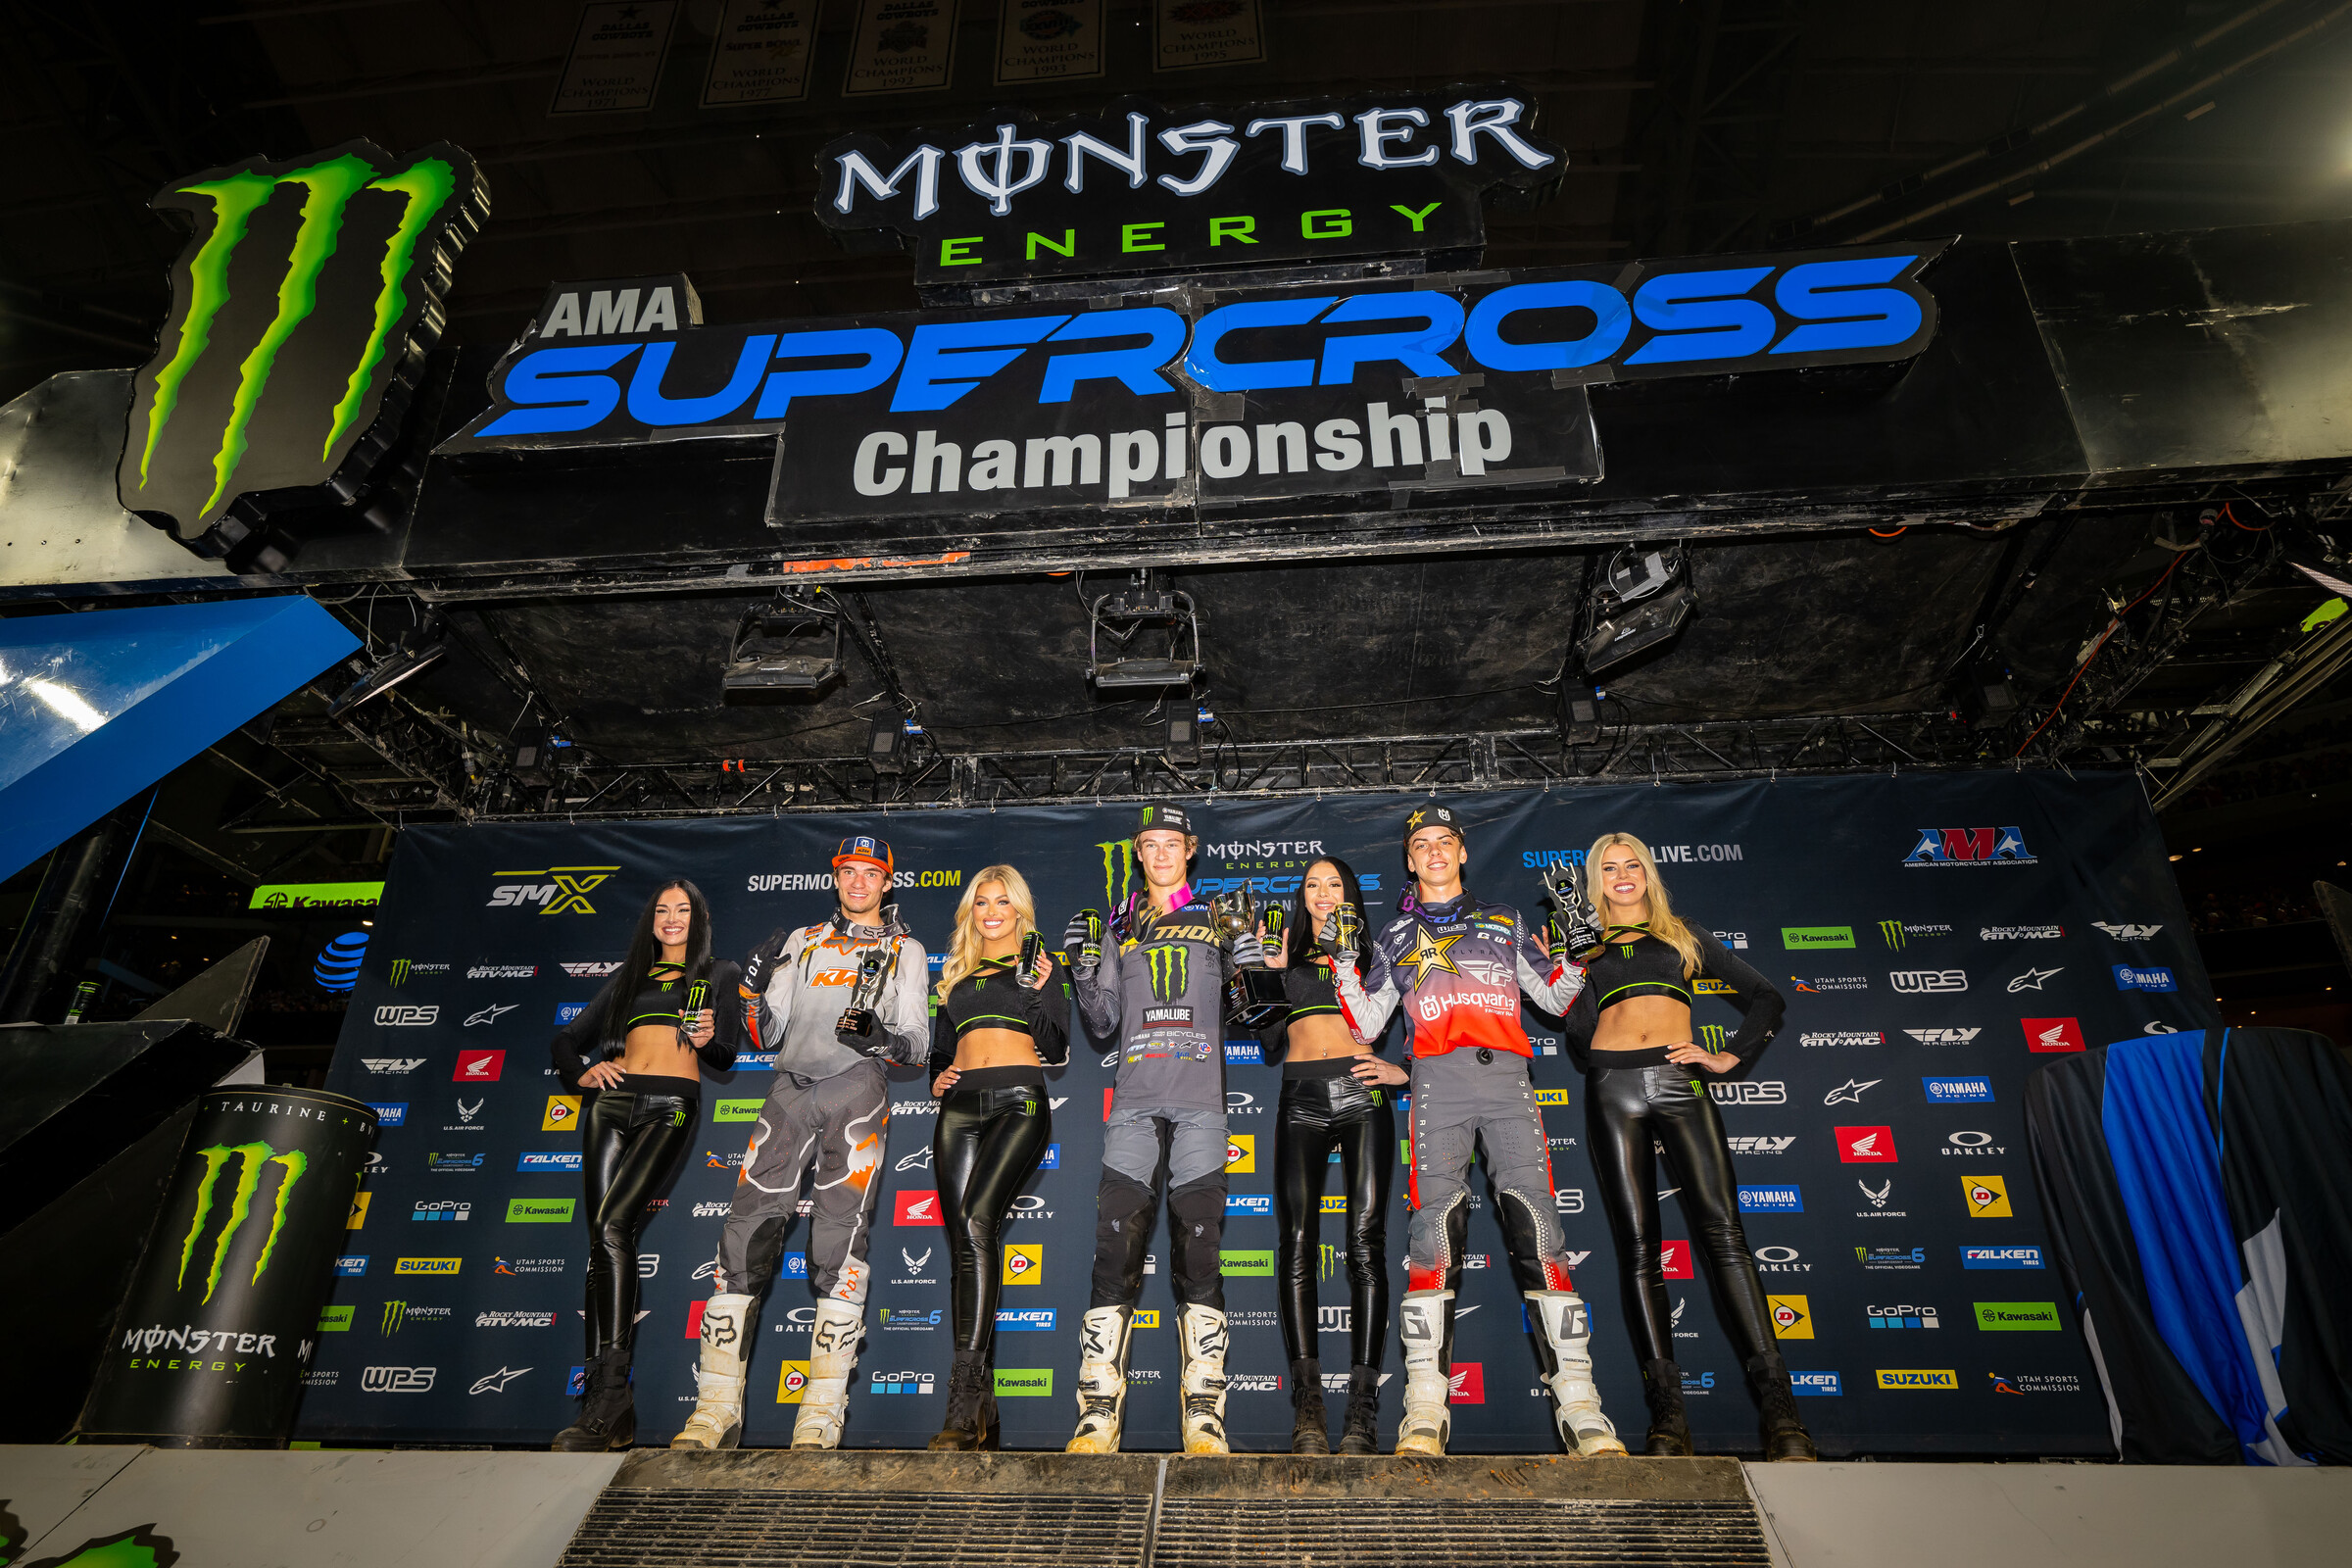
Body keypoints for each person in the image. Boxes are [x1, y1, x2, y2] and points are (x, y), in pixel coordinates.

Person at [1327, 803, 1624, 1459]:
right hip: (1438, 1082)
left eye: (1445, 842)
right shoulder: (1396, 934)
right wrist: (1345, 965)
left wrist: (1578, 953)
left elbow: (1553, 998)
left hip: (1508, 1082)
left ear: (1461, 852)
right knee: (1433, 1232)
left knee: (1539, 1224)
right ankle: (1424, 1410)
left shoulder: (1504, 919)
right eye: (1421, 844)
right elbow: (1369, 1022)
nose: (1433, 852)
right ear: (1409, 859)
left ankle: (1582, 1406)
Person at [1560, 832, 1814, 1461]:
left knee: (1725, 1235)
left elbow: (1767, 997)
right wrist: (1569, 973)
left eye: (1633, 865)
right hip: (1612, 1090)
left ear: (1649, 873)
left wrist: (1730, 1054)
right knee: (1639, 1247)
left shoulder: (1684, 934)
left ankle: (1781, 1414)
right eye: (1610, 868)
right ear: (1596, 880)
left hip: (1682, 1082)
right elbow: (1578, 1035)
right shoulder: (1582, 943)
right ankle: (1666, 1417)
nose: (1623, 876)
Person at [672, 836, 930, 1451]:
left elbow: (918, 1045)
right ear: (836, 878)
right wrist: (751, 999)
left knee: (839, 1243)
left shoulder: (907, 949)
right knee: (744, 1232)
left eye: (871, 874)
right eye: (849, 873)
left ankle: (820, 1413)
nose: (859, 883)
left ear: (887, 883)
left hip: (857, 1089)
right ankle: (714, 1411)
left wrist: (882, 1036)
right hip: (788, 1089)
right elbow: (769, 1033)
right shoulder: (802, 941)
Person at [1063, 803, 1261, 1455]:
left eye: (1170, 843)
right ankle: (1097, 1411)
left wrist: (1250, 962)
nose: (1160, 854)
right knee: (1113, 1248)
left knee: (1199, 1249)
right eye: (1148, 844)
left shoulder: (1219, 916)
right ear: (1139, 853)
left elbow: (1251, 1014)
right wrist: (1083, 970)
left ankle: (1205, 1413)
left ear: (1191, 849)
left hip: (1202, 1101)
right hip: (1136, 1104)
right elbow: (1100, 1024)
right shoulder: (1118, 921)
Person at [547, 878, 741, 1451]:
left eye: (682, 910)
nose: (672, 918)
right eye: (662, 910)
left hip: (669, 1107)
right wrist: (576, 1072)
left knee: (612, 1228)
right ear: (651, 920)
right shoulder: (629, 977)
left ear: (698, 919)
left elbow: (725, 1053)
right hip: (609, 1106)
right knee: (602, 1243)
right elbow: (568, 1037)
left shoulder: (719, 974)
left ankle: (610, 1396)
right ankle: (606, 1403)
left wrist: (705, 1037)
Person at [1255, 856, 1407, 1454]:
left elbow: (1429, 1014)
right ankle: (1308, 1406)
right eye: (1312, 885)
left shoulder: (1374, 950)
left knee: (1365, 1244)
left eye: (1334, 884)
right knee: (1295, 1244)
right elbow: (1268, 1043)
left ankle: (1363, 1409)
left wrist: (1405, 1071)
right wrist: (1267, 976)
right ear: (1302, 896)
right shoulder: (1283, 951)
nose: (1322, 893)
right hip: (1300, 1099)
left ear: (1350, 894)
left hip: (1364, 1095)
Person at [925, 865, 1068, 1450]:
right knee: (965, 1244)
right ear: (970, 912)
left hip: (1018, 1101)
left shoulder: (1041, 965)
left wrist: (1035, 988)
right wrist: (938, 1077)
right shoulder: (954, 973)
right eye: (981, 903)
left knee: (980, 1220)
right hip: (958, 1111)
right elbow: (939, 1050)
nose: (991, 912)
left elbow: (1056, 1046)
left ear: (1020, 911)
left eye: (1002, 902)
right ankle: (983, 1404)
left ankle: (960, 1397)